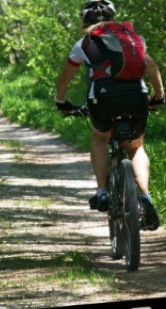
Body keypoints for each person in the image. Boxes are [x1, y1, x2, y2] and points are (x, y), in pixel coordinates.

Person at [56, 0, 166, 229]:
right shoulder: (132, 39)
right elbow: (153, 68)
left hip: (103, 99)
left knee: (99, 136)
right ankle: (145, 197)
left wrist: (62, 102)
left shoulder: (84, 43)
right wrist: (158, 98)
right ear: (113, 18)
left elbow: (64, 79)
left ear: (85, 21)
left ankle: (102, 192)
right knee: (135, 146)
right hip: (137, 95)